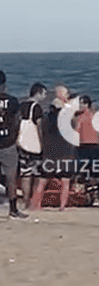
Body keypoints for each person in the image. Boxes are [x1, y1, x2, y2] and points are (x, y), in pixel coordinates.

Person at [17, 84, 48, 212]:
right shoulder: (37, 107)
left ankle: (25, 201)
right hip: (34, 145)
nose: (45, 96)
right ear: (38, 93)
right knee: (37, 174)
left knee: (25, 173)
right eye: (44, 94)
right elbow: (39, 127)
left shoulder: (21, 105)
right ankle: (33, 203)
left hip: (21, 144)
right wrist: (44, 143)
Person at [0, 71, 26, 218]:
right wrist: (14, 138)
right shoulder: (12, 101)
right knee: (11, 177)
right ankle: (13, 209)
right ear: (4, 85)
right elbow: (17, 121)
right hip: (7, 143)